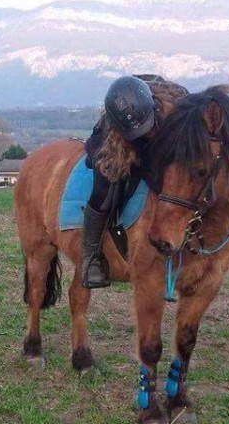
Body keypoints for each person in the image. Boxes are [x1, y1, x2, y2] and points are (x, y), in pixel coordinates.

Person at [81, 74, 189, 289]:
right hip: (118, 143)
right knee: (104, 191)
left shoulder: (175, 107)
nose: (147, 132)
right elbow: (117, 162)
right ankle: (91, 256)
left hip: (160, 127)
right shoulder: (112, 133)